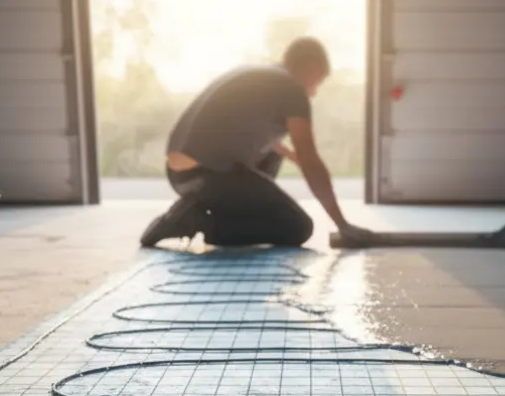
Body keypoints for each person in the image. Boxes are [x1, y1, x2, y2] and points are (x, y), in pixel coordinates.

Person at [140, 37, 375, 249]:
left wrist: (292, 156)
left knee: (274, 155)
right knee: (298, 228)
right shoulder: (293, 90)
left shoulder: (265, 77)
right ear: (309, 68)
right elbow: (310, 160)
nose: (313, 92)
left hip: (180, 176)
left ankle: (206, 213)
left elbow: (257, 137)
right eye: (317, 83)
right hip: (210, 176)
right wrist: (342, 224)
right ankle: (200, 221)